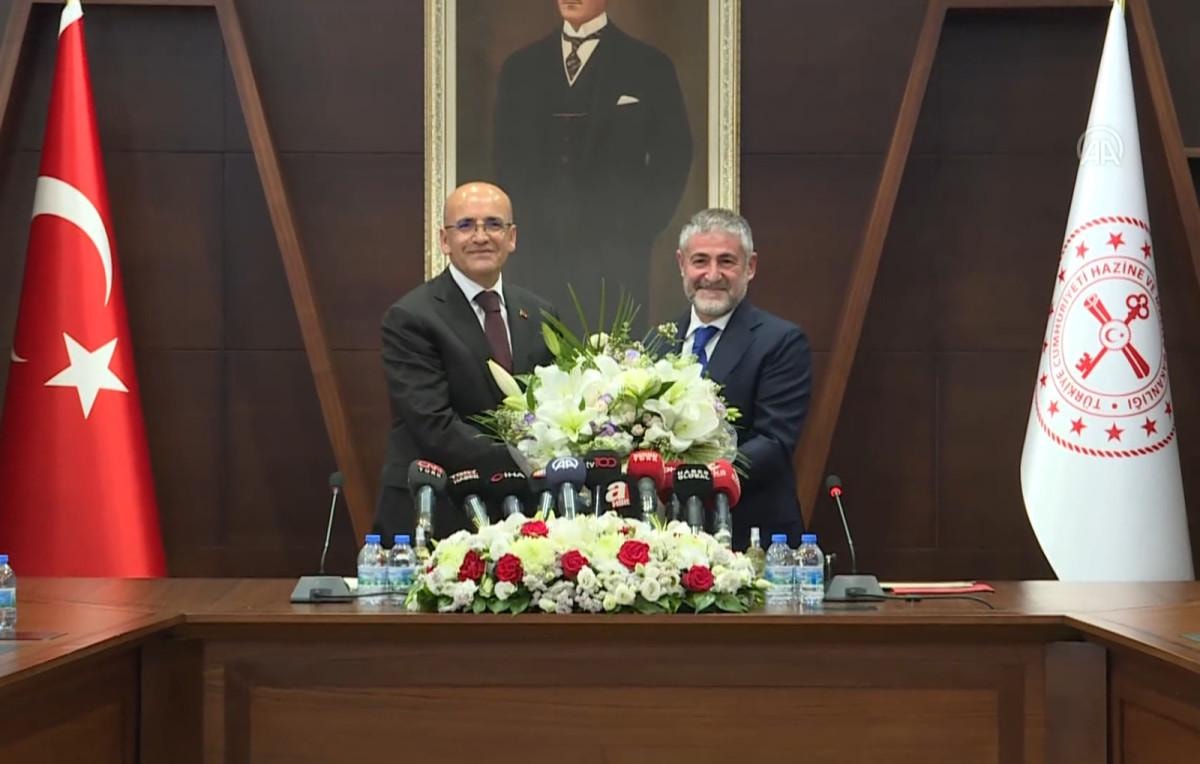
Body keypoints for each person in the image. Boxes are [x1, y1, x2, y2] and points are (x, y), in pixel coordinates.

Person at [373, 182, 555, 543]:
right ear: (445, 240)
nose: (481, 237)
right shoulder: (411, 317)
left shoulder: (540, 313)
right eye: (466, 225)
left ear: (512, 237)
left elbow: (553, 407)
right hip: (436, 510)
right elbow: (434, 425)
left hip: (520, 512)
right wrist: (525, 460)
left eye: (494, 224)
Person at [494, 0, 692, 322]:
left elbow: (674, 154)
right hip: (536, 255)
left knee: (614, 348)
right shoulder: (520, 68)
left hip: (616, 259)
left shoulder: (649, 65)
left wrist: (640, 227)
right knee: (534, 345)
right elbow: (504, 159)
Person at [672, 208, 813, 550]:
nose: (712, 275)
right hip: (670, 538)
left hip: (753, 538)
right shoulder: (656, 343)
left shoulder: (781, 342)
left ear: (750, 267)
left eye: (727, 262)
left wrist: (693, 476)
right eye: (700, 261)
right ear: (682, 264)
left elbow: (773, 441)